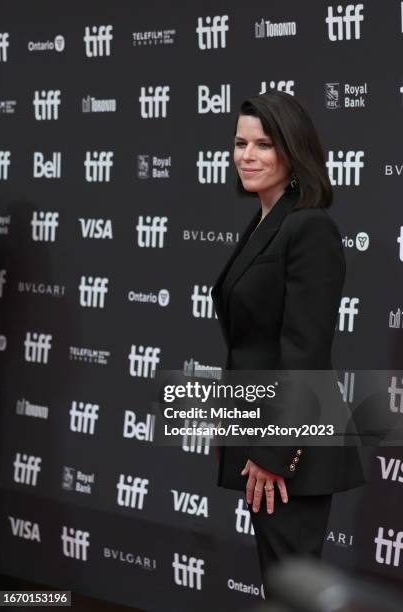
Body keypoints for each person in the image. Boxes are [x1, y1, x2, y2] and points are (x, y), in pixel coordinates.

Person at [211, 91, 365, 592]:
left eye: (263, 144)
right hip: (258, 428)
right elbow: (252, 342)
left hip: (291, 449)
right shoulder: (265, 223)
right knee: (280, 585)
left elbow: (306, 351)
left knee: (292, 589)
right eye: (240, 143)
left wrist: (274, 451)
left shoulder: (310, 227)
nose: (246, 156)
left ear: (292, 151)